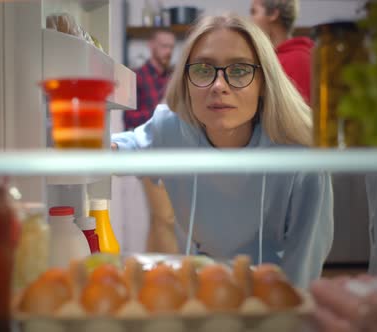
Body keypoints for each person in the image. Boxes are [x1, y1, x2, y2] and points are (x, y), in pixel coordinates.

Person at [112, 14, 333, 287]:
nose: (219, 86)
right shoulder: (169, 127)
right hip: (205, 289)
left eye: (239, 70)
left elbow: (304, 265)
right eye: (204, 70)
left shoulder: (301, 155)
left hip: (272, 295)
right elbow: (121, 148)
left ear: (263, 81)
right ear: (186, 80)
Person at [250, 0, 313, 103]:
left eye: (254, 12)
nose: (250, 21)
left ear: (273, 14)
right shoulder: (268, 59)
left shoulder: (298, 60)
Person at [124, 29, 175, 131]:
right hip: (144, 143)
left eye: (171, 47)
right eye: (164, 46)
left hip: (170, 142)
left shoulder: (173, 78)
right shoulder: (136, 76)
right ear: (151, 45)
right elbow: (128, 119)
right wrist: (160, 111)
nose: (169, 51)